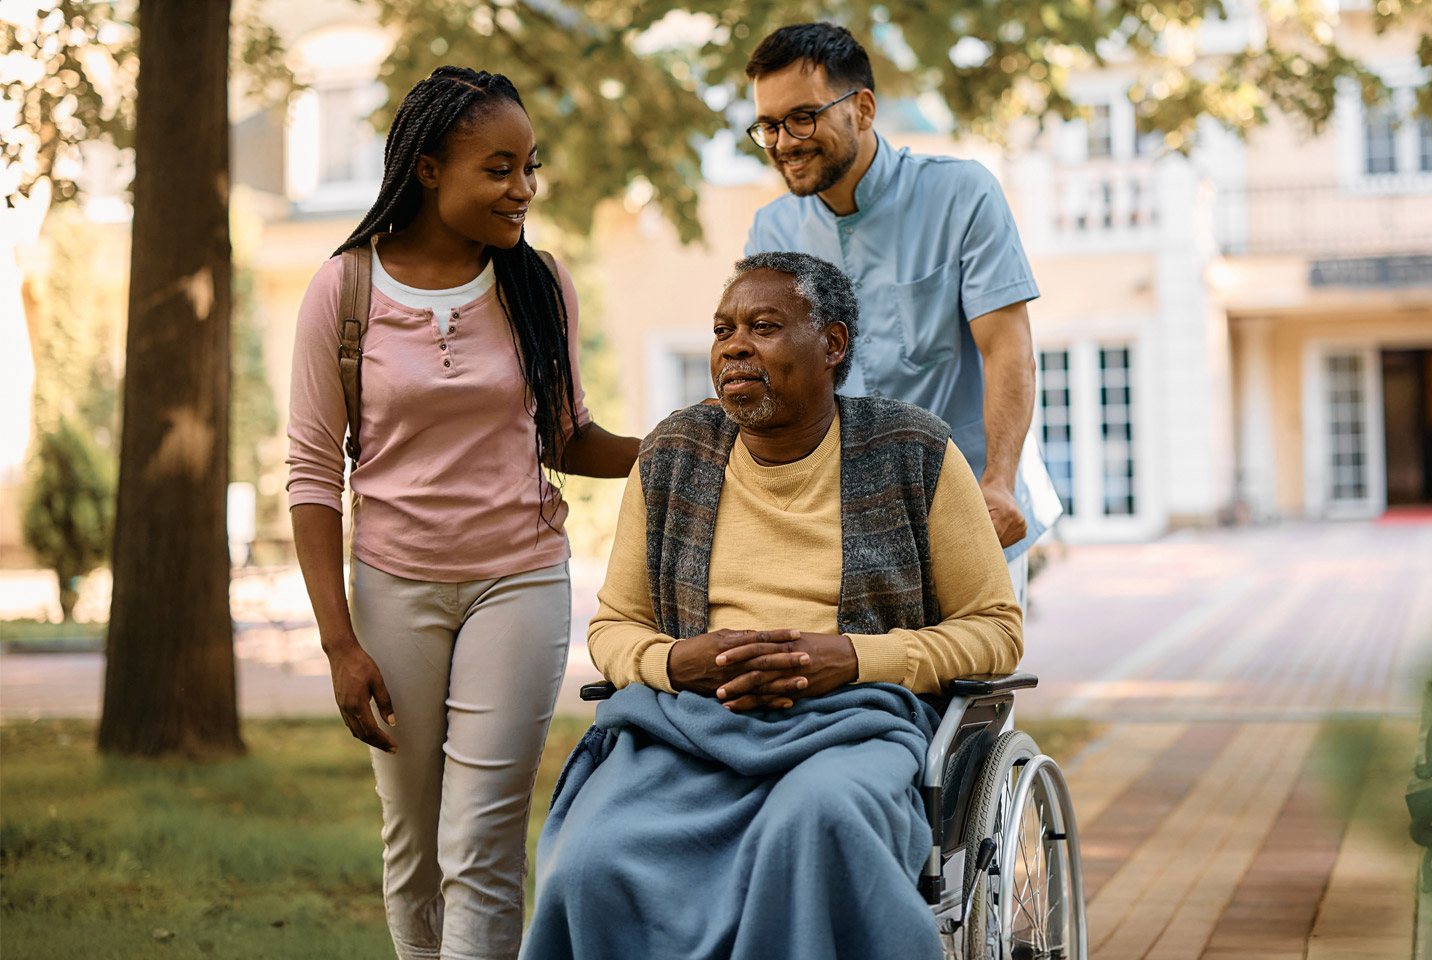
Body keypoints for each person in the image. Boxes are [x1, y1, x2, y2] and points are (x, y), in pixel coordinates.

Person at [519, 253, 1020, 960]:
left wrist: (853, 659)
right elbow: (614, 625)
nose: (734, 346)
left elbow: (996, 630)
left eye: (763, 326)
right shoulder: (672, 454)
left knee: (812, 824)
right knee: (588, 860)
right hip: (689, 727)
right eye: (723, 329)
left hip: (852, 725)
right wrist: (672, 661)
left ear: (833, 345)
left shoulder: (915, 452)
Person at [285, 66, 639, 960]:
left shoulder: (536, 282)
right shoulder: (346, 290)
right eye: (500, 167)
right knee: (411, 846)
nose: (524, 188)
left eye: (531, 166)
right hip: (393, 590)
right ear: (431, 168)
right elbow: (312, 472)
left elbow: (565, 437)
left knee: (478, 844)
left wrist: (674, 447)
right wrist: (339, 644)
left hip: (517, 581)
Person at [742, 23, 1053, 610]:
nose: (784, 141)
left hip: (974, 514)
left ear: (862, 108)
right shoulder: (771, 231)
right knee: (868, 698)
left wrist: (1000, 482)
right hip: (847, 531)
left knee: (973, 697)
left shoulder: (963, 195)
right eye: (769, 125)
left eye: (803, 117)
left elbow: (1007, 348)